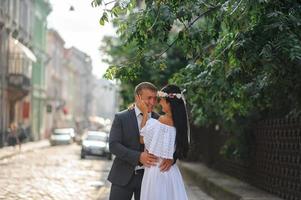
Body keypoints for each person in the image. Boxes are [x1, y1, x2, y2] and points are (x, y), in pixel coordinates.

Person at [108, 82, 174, 200]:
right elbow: (113, 145)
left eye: (155, 98)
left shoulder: (160, 120)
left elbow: (172, 143)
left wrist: (172, 158)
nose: (153, 102)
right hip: (122, 176)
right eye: (149, 98)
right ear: (138, 97)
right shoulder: (121, 117)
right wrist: (138, 157)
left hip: (149, 179)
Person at [137, 84, 189, 200]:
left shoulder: (161, 121)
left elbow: (142, 139)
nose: (159, 103)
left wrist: (145, 113)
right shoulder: (181, 125)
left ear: (169, 103)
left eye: (162, 100)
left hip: (156, 170)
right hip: (172, 172)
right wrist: (172, 158)